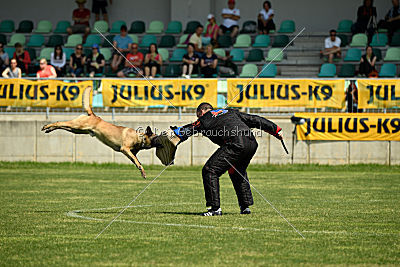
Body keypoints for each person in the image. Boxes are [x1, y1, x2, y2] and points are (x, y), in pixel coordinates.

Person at [170, 103, 283, 216]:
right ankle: (245, 207)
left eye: (198, 115)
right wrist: (276, 130)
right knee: (237, 171)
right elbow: (255, 119)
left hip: (235, 143)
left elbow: (192, 128)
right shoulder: (231, 112)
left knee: (210, 170)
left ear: (202, 112)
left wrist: (175, 134)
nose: (198, 118)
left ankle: (215, 209)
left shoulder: (205, 118)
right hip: (251, 143)